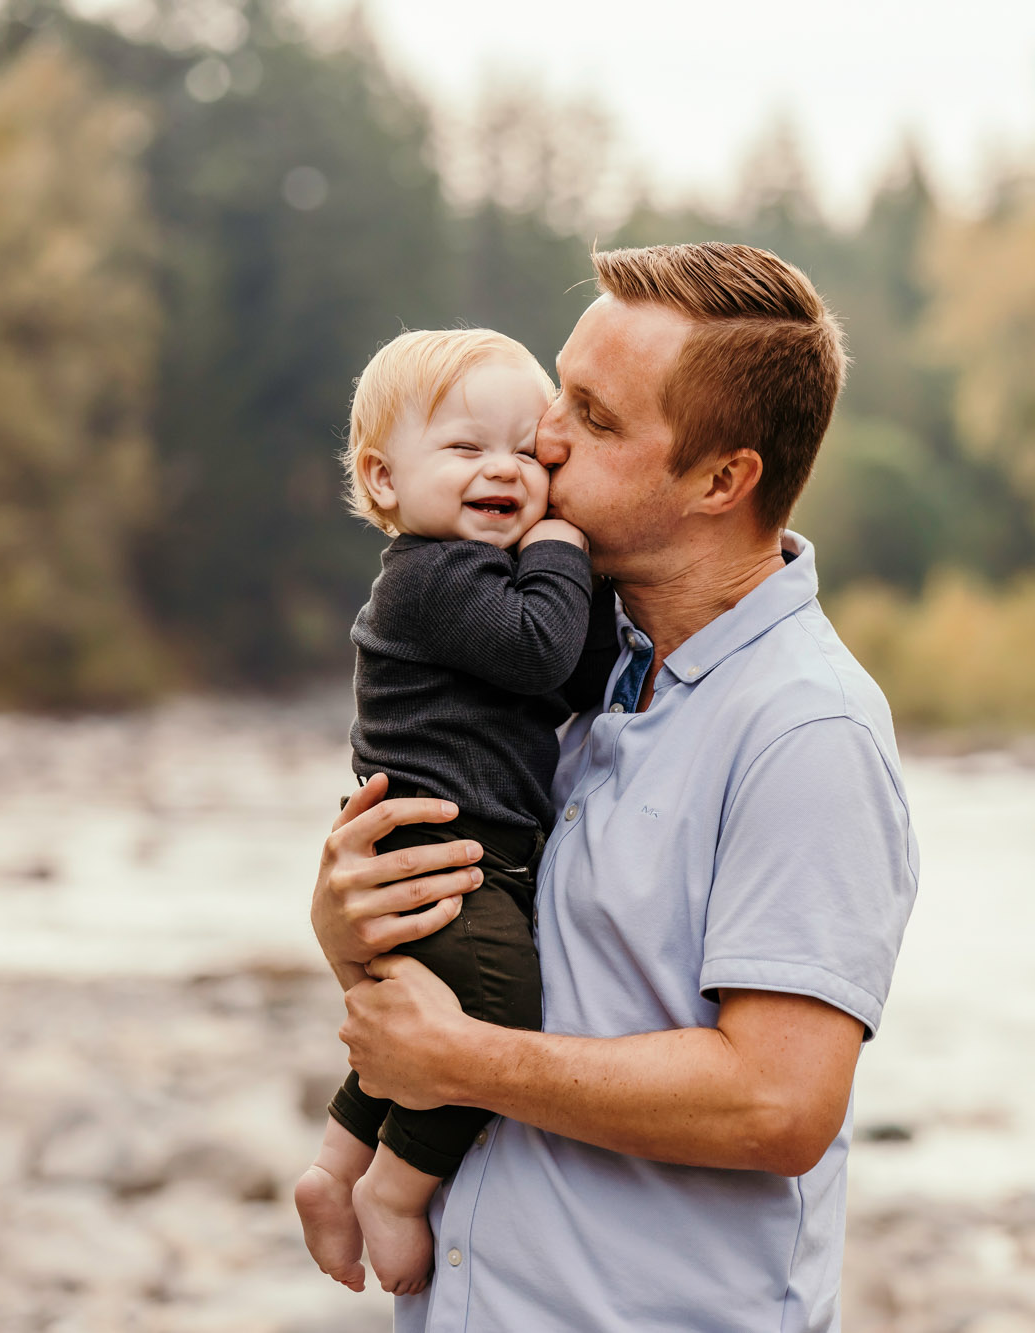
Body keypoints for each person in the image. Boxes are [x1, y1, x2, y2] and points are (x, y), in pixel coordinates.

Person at [311, 242, 920, 1331]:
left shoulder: (802, 729)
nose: (539, 440)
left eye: (591, 419)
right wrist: (351, 923)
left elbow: (778, 1103)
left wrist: (467, 1060)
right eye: (560, 393)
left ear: (720, 480)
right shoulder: (579, 664)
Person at [292, 328, 615, 1296]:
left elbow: (578, 670)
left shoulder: (474, 577)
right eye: (467, 449)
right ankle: (394, 1188)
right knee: (501, 1007)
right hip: (446, 848)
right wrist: (562, 541)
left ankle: (332, 1167)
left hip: (469, 847)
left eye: (528, 452)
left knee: (425, 1019)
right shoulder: (428, 578)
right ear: (383, 481)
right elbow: (537, 654)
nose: (505, 471)